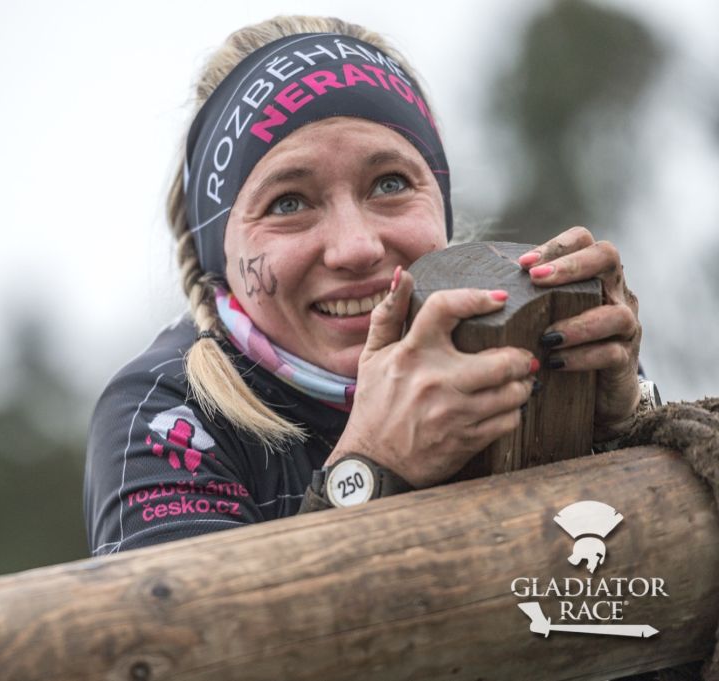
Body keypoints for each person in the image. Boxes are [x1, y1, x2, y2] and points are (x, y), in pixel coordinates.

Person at [83, 16, 647, 556]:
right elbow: (193, 628)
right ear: (220, 253)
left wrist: (628, 423)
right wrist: (374, 464)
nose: (356, 248)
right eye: (289, 203)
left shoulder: (533, 336)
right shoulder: (161, 414)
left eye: (390, 184)